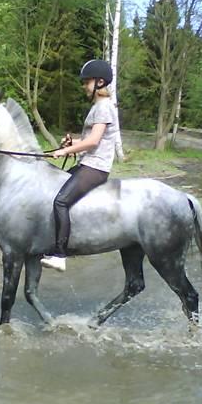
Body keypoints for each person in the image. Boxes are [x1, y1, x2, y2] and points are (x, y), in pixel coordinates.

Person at [41, 59, 120, 273]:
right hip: (87, 162)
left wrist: (65, 151)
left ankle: (59, 254)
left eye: (87, 82)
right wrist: (72, 143)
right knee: (55, 192)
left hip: (96, 167)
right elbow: (91, 140)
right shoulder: (97, 107)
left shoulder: (103, 107)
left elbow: (93, 142)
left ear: (100, 82)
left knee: (60, 201)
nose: (84, 86)